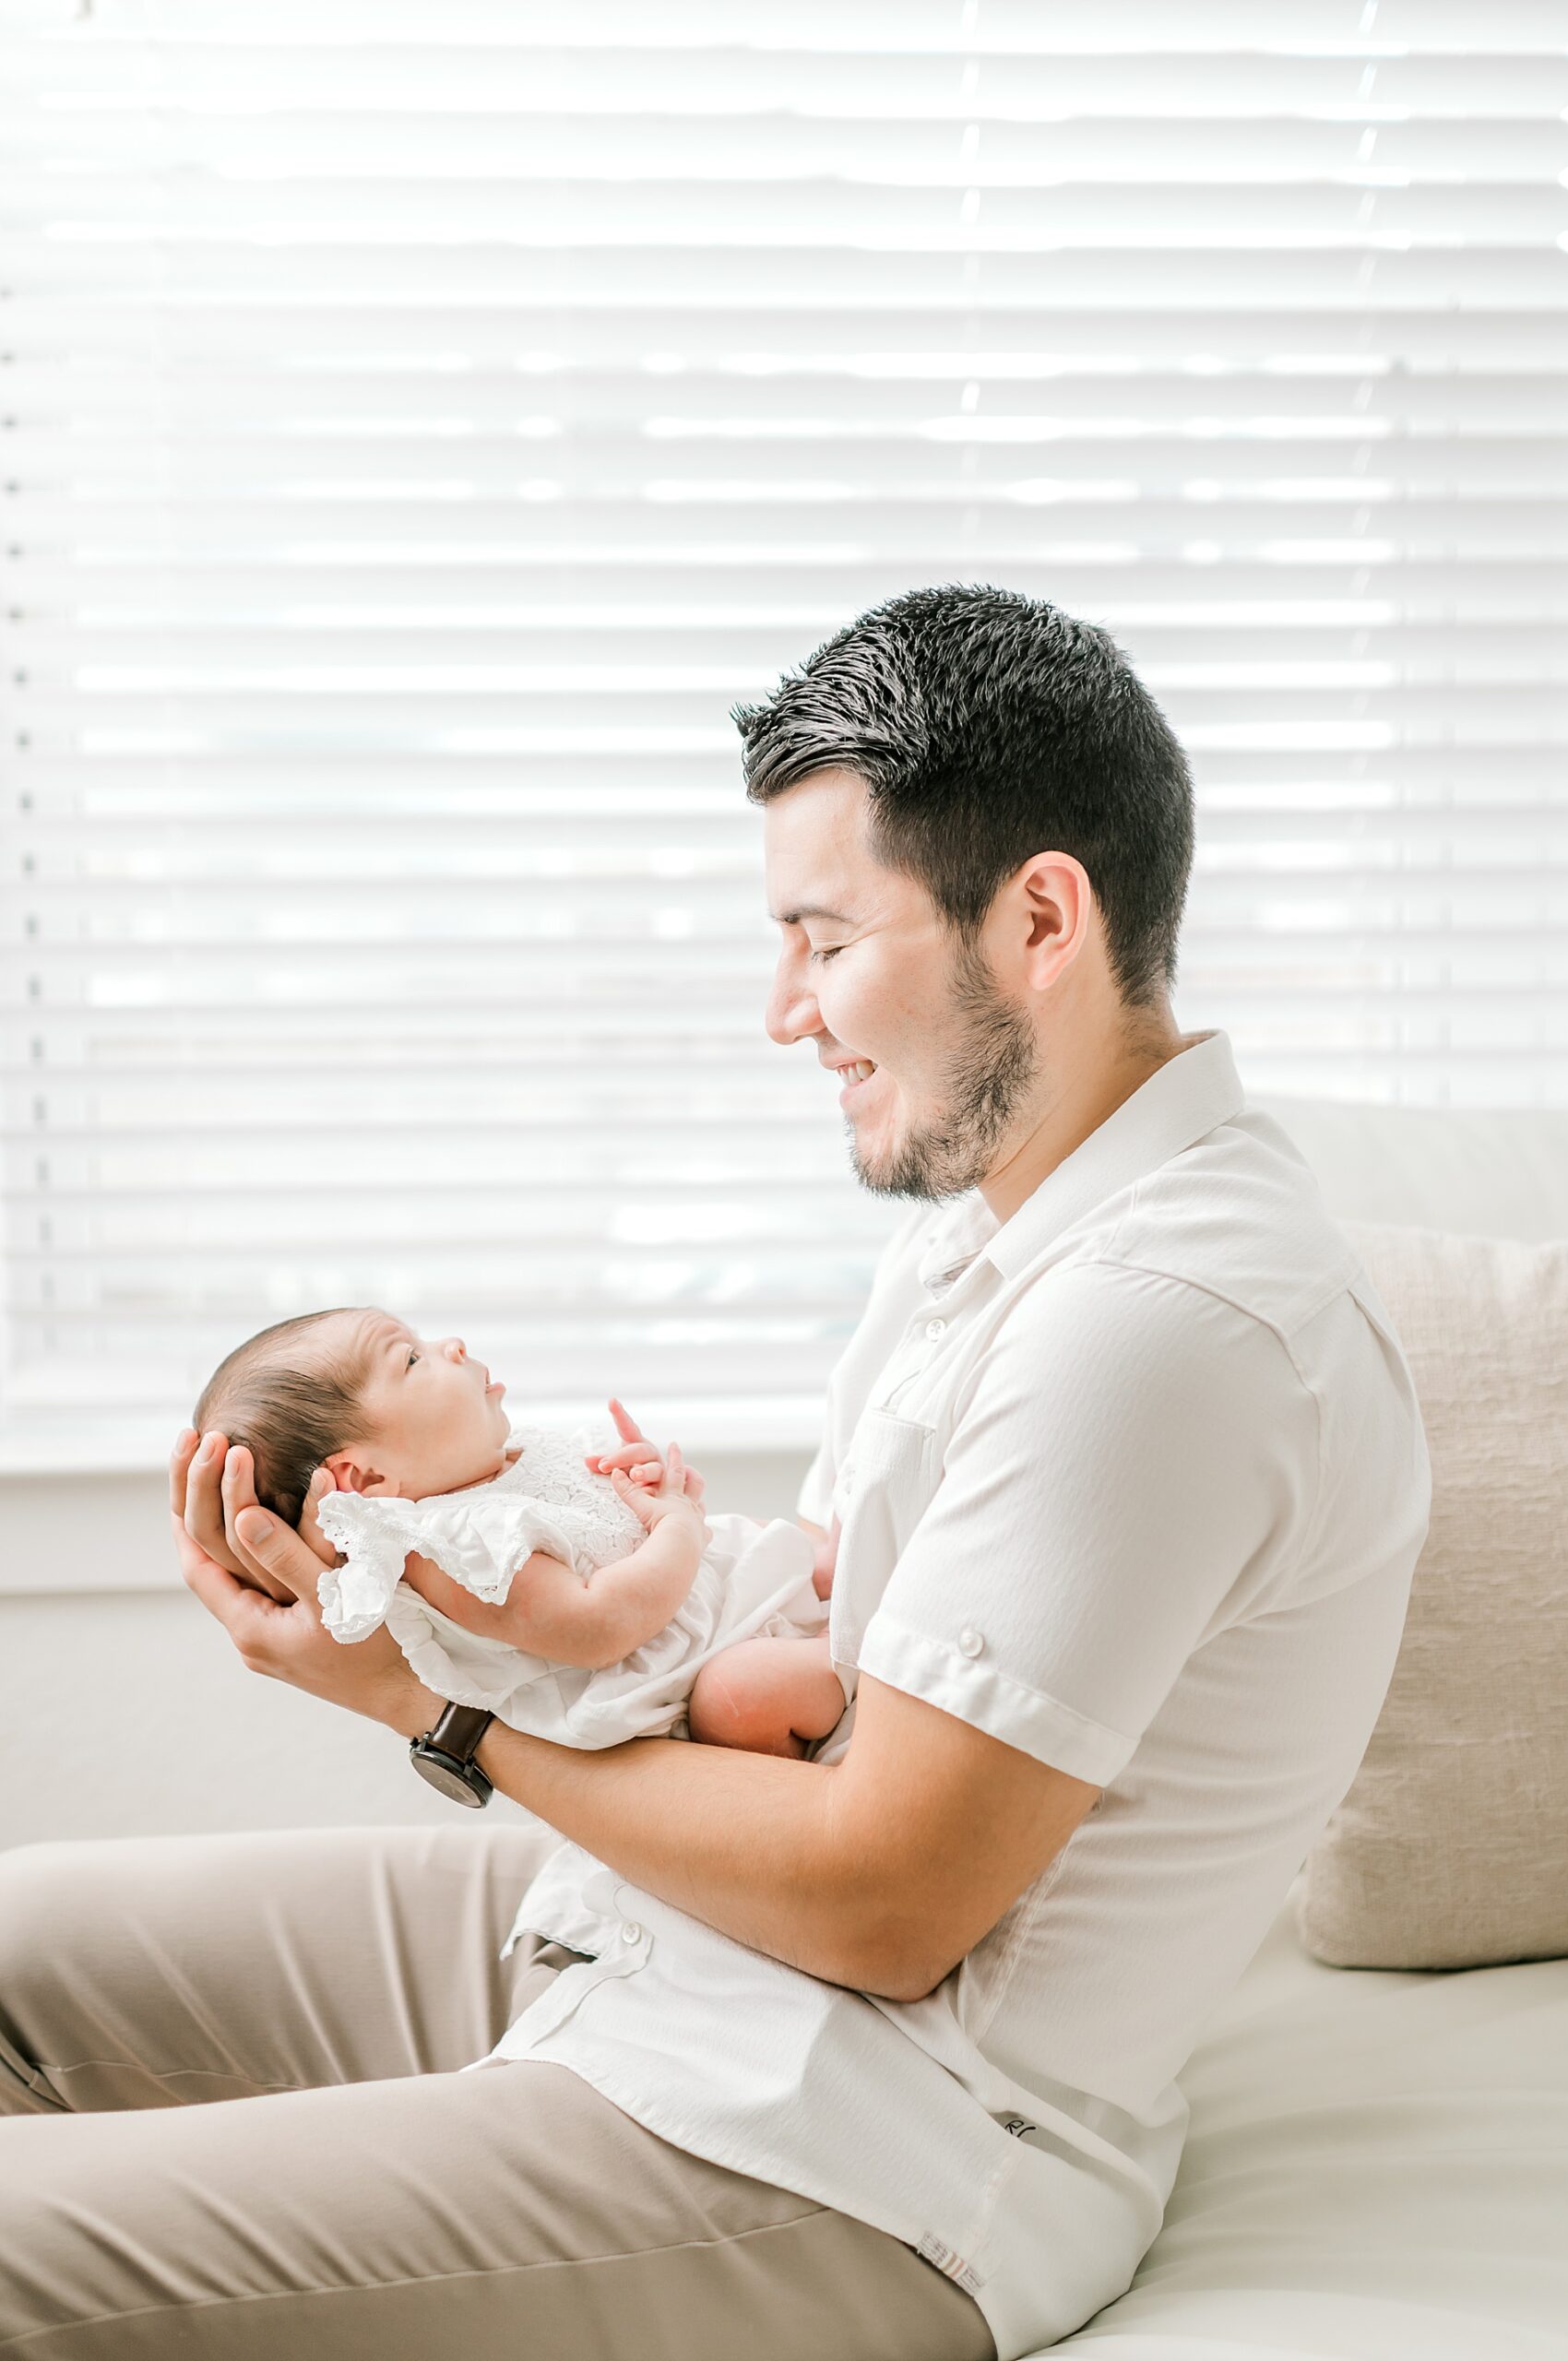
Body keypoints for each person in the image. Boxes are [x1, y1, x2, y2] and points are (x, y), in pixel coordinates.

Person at [0, 586, 1431, 2361]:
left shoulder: (1158, 1321)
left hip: (845, 2138)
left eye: (822, 939)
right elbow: (803, 1636)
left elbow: (880, 1903)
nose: (785, 1012)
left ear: (1038, 917)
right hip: (652, 1945)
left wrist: (433, 1709)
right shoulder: (996, 1226)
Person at [189, 1304, 842, 1755]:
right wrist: (677, 1529)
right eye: (412, 1361)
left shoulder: (508, 1465)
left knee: (816, 1551)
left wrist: (651, 1491)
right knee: (743, 1696)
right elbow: (599, 1626)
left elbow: (608, 1531)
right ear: (365, 1480)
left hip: (719, 1600)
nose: (453, 1347)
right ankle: (862, 1661)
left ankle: (849, 1599)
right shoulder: (453, 1553)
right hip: (698, 1671)